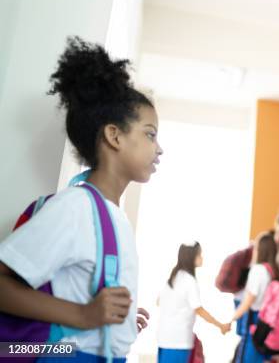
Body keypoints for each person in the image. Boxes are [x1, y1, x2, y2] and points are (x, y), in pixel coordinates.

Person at [0, 37, 163, 362]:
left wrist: (120, 326)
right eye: (149, 133)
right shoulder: (75, 207)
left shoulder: (113, 216)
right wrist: (85, 316)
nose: (159, 148)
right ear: (114, 136)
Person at [157, 241, 230, 363]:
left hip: (164, 337)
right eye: (199, 254)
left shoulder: (174, 277)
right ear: (191, 257)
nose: (202, 257)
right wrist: (220, 325)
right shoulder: (189, 281)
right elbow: (199, 310)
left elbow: (159, 301)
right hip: (178, 341)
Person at [229, 232, 279, 363]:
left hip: (255, 319)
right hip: (269, 322)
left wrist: (232, 318)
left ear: (260, 249)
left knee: (248, 358)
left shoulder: (258, 270)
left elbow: (249, 301)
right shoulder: (274, 271)